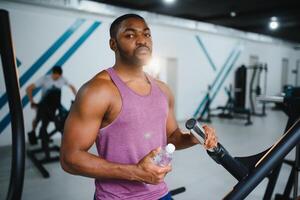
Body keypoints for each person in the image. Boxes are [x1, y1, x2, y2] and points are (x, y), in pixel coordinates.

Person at [60, 14, 218, 200]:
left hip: (160, 193)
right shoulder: (98, 91)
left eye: (147, 34)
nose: (142, 40)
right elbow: (70, 158)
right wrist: (136, 172)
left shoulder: (163, 90)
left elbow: (172, 136)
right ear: (113, 44)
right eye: (130, 35)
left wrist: (194, 138)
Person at [26, 66, 77, 134]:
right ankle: (33, 131)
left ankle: (44, 135)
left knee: (49, 120)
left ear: (60, 75)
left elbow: (72, 87)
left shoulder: (63, 79)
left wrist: (77, 98)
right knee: (37, 119)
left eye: (58, 77)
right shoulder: (44, 79)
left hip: (55, 104)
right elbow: (29, 88)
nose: (56, 78)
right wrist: (32, 102)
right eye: (55, 76)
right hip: (44, 104)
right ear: (52, 73)